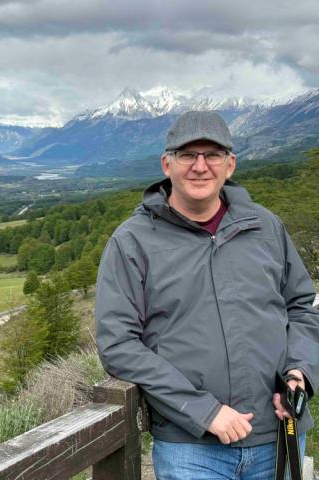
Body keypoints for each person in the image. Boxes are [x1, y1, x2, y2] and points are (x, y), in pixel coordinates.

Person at [95, 111, 319, 479]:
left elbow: (303, 307)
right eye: (187, 155)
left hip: (279, 432)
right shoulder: (132, 241)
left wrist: (301, 372)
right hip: (191, 447)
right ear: (167, 164)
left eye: (212, 155)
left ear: (229, 165)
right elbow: (117, 343)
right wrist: (203, 410)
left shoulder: (265, 226)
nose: (200, 166)